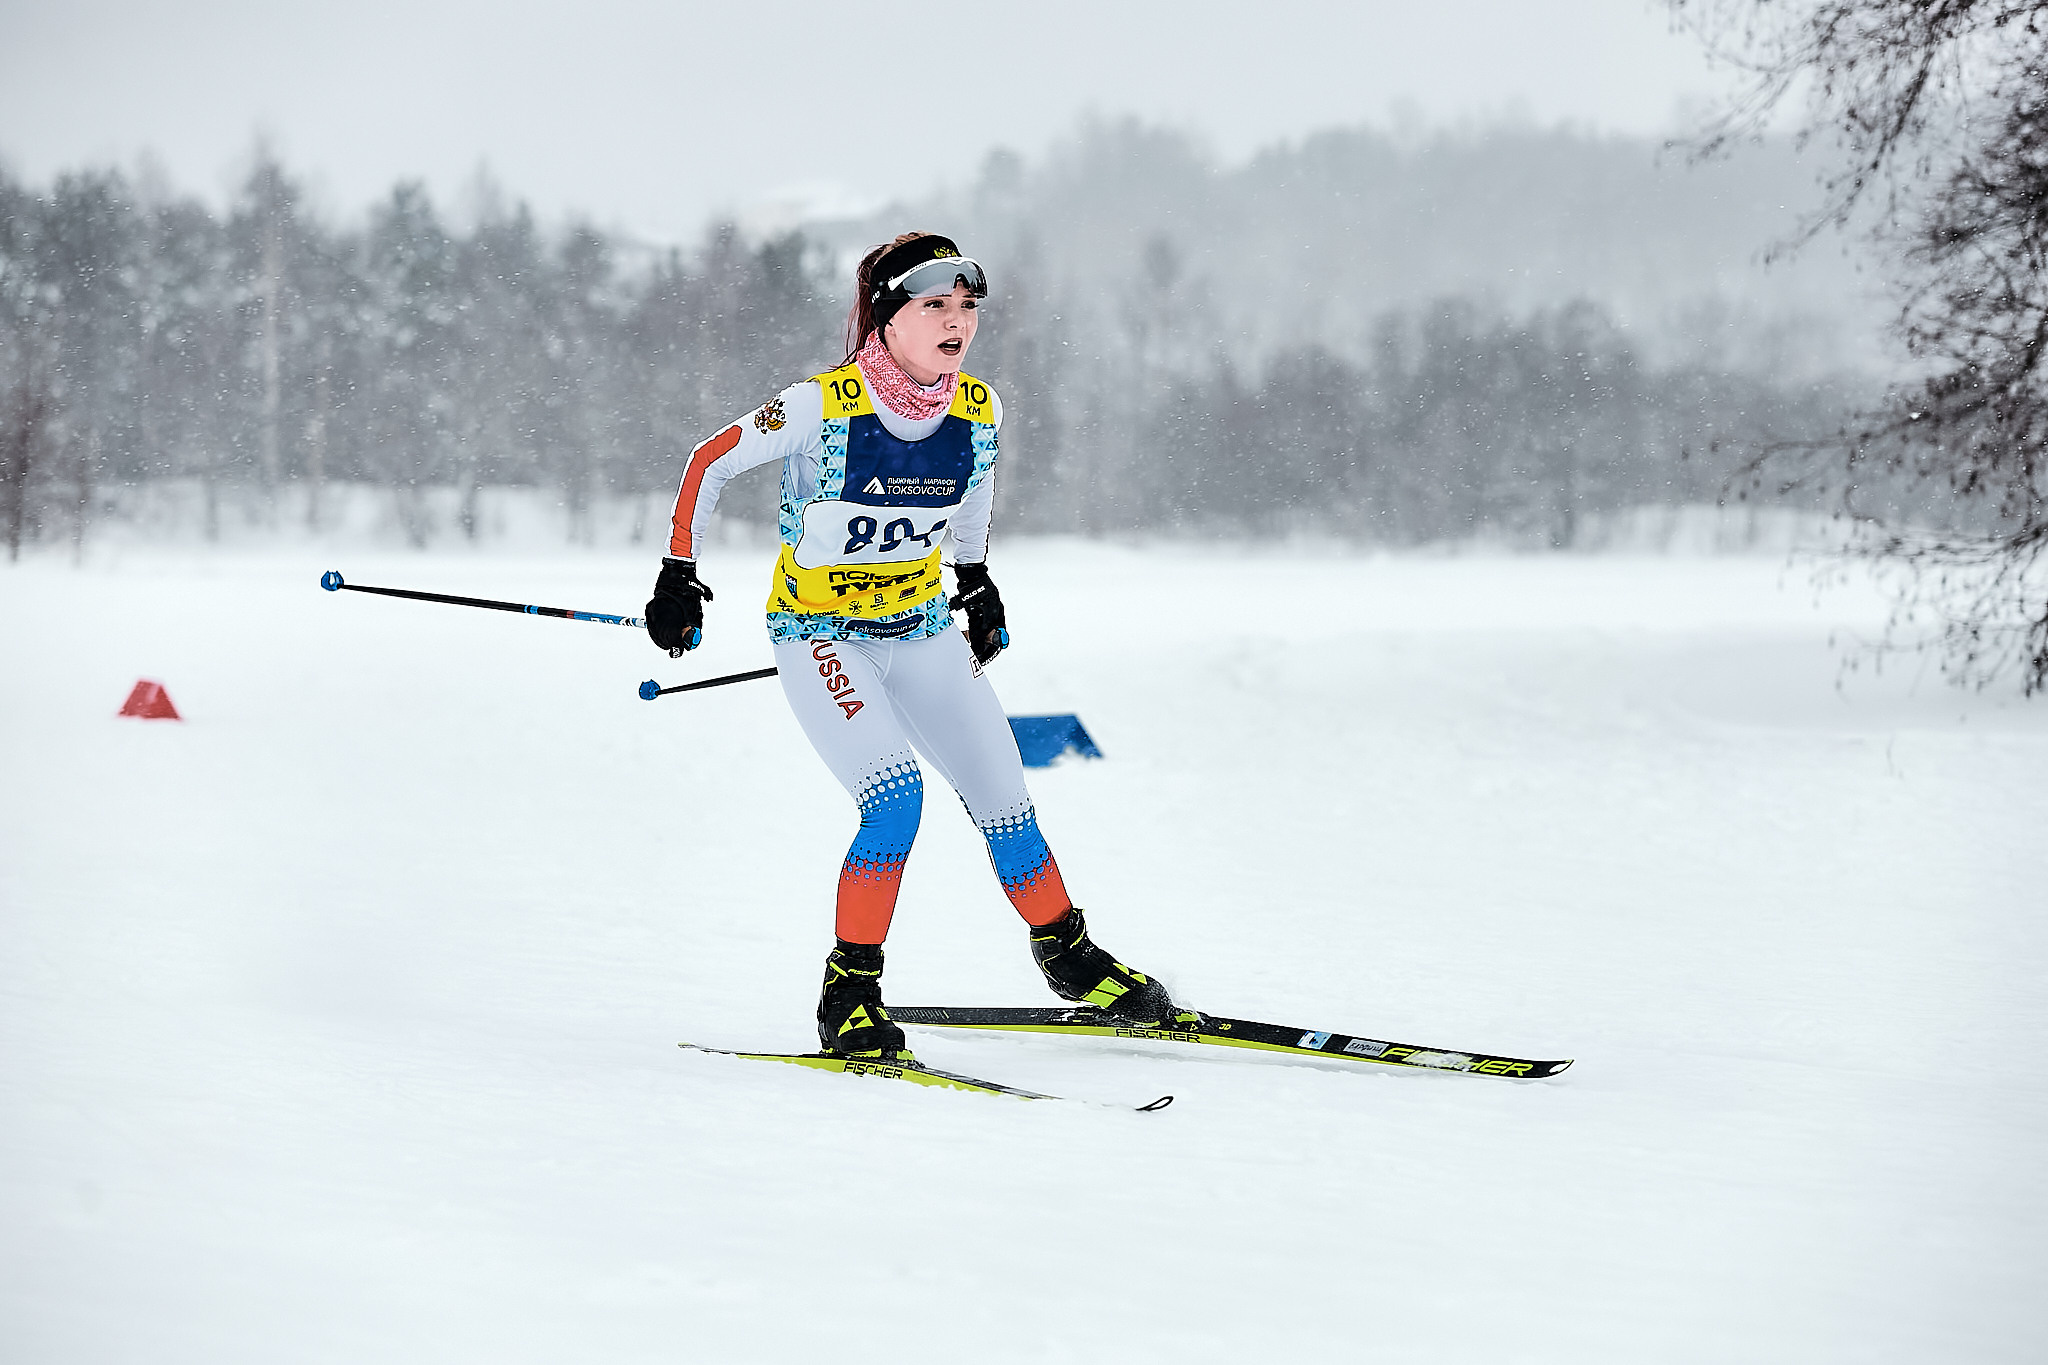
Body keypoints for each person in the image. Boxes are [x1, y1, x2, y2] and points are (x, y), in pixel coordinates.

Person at [644, 232, 1176, 1058]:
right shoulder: (825, 404)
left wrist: (974, 578)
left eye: (967, 307)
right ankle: (848, 992)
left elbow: (975, 492)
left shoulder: (978, 408)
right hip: (821, 636)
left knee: (1007, 799)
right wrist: (679, 572)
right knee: (895, 800)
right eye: (934, 305)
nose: (957, 321)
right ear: (887, 317)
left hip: (920, 629)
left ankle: (1069, 957)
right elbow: (708, 460)